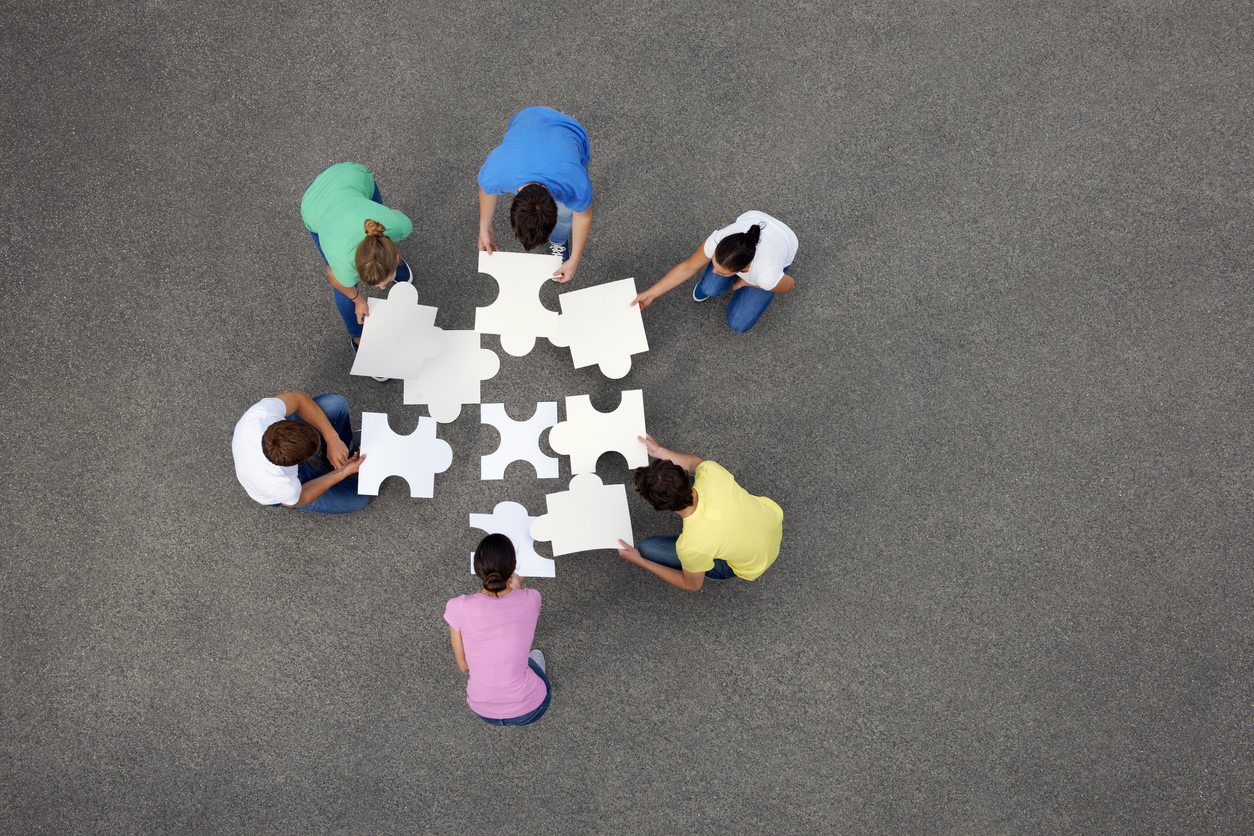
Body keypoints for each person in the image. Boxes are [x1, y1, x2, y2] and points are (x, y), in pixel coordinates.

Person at [616, 435, 783, 591]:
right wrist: (660, 451)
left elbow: (691, 584)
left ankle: (714, 563)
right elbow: (697, 464)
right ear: (680, 473)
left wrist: (641, 561)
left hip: (752, 564)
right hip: (771, 518)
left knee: (647, 549)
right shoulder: (712, 473)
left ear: (661, 506)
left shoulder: (690, 546)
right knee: (697, 476)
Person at [301, 162, 414, 349]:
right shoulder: (343, 263)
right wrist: (358, 300)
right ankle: (358, 337)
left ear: (395, 257)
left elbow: (396, 216)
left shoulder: (399, 226)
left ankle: (391, 267)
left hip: (350, 176)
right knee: (344, 288)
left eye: (383, 282)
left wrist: (386, 217)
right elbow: (333, 275)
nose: (382, 288)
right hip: (314, 205)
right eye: (379, 283)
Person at [444, 534, 551, 726]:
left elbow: (464, 666)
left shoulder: (457, 607)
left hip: (483, 710)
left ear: (478, 568)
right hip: (530, 707)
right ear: (513, 568)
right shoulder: (532, 598)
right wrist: (517, 587)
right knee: (525, 663)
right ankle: (535, 671)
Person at [631, 210, 798, 333]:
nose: (715, 271)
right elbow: (688, 266)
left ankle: (739, 282)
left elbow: (789, 285)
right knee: (710, 286)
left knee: (738, 325)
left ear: (744, 269)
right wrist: (651, 294)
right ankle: (720, 274)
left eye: (723, 272)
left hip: (784, 242)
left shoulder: (766, 275)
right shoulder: (718, 240)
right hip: (753, 222)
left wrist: (747, 282)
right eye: (714, 264)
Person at [477, 106, 592, 284]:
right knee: (570, 209)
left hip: (569, 129)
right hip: (528, 118)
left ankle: (559, 241)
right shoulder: (496, 172)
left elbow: (583, 216)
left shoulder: (574, 181)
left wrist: (574, 260)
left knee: (567, 213)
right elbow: (486, 188)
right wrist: (484, 227)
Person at [231, 391, 367, 514]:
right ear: (300, 461)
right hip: (289, 489)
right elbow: (302, 497)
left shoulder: (260, 416)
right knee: (360, 498)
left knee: (335, 404)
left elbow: (299, 399)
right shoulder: (282, 486)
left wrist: (332, 438)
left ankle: (342, 452)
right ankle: (338, 463)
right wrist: (342, 472)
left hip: (280, 459)